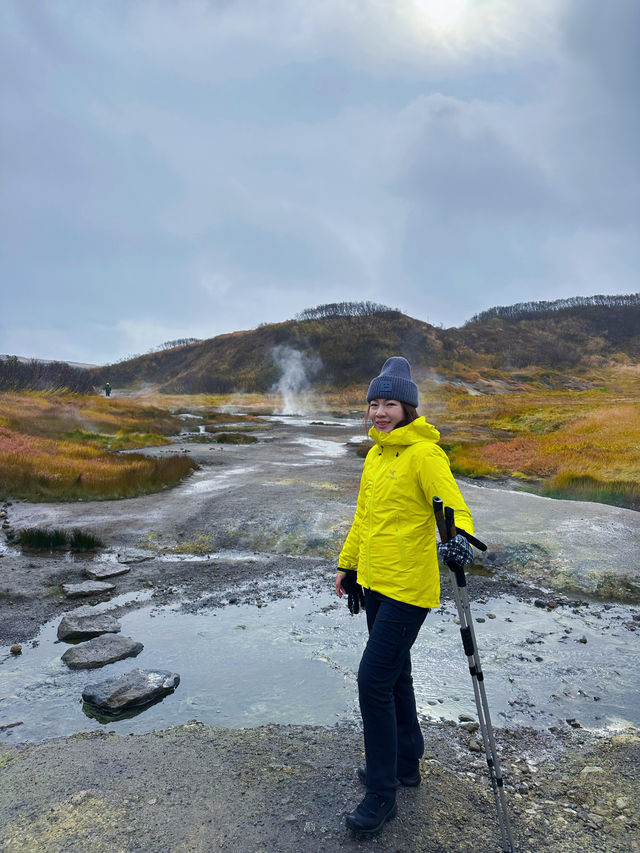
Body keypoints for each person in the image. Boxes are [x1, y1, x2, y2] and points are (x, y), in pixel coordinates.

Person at [335, 356, 475, 835]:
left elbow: (453, 505)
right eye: (374, 403)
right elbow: (364, 518)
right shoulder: (375, 455)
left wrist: (457, 538)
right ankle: (406, 763)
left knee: (372, 680)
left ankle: (381, 795)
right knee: (395, 675)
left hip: (408, 589)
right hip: (374, 582)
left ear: (408, 408)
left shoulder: (423, 454)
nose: (379, 412)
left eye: (389, 403)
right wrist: (348, 565)